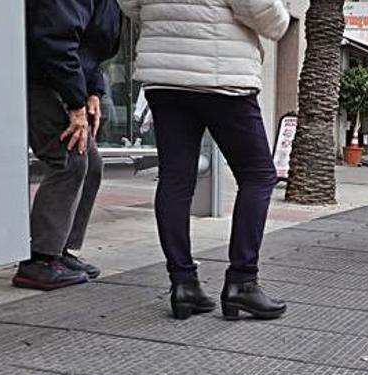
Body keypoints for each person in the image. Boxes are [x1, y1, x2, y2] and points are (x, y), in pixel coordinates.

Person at [119, 0, 289, 320]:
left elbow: (130, 5)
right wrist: (278, 20)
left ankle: (183, 284)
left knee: (175, 178)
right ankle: (243, 281)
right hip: (222, 74)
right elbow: (264, 13)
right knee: (258, 175)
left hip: (164, 76)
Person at [19, 0, 121, 290]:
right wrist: (76, 102)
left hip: (62, 81)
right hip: (39, 81)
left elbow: (88, 48)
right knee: (69, 161)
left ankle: (59, 250)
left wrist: (93, 92)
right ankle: (39, 260)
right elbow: (55, 41)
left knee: (91, 166)